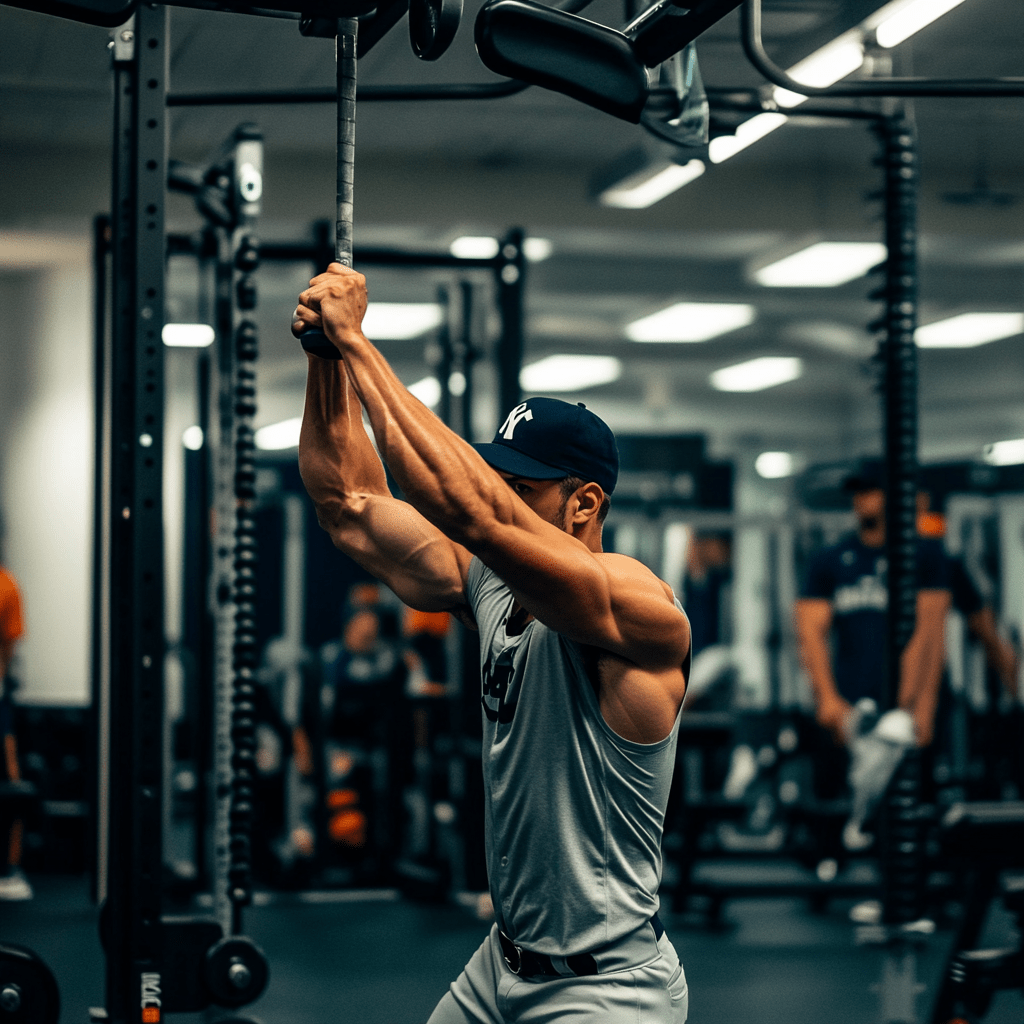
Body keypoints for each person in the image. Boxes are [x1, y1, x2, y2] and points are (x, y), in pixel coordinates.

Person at [293, 263, 692, 1024]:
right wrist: (326, 364)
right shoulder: (493, 586)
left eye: (523, 486)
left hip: (603, 991)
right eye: (498, 475)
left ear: (585, 502)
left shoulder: (640, 608)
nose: (502, 494)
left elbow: (473, 512)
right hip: (499, 963)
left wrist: (358, 340)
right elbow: (348, 502)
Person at [794, 461, 951, 756]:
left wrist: (922, 708)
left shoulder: (925, 557)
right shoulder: (829, 560)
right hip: (852, 706)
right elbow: (810, 633)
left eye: (871, 491)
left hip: (906, 706)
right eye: (858, 492)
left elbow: (931, 633)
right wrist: (827, 699)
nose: (861, 499)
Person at [0, 551, 31, 901]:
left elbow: (9, 644)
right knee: (10, 777)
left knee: (11, 780)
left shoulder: (5, 584)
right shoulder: (6, 582)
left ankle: (8, 868)